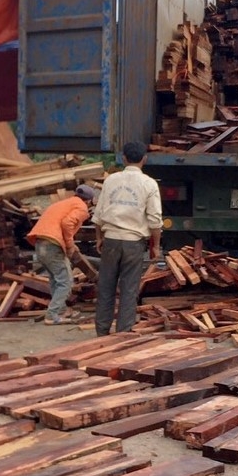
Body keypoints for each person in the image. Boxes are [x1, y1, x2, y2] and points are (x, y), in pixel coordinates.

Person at [92, 141, 163, 336]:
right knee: (129, 289)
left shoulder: (111, 180)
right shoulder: (149, 184)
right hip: (134, 243)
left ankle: (102, 332)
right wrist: (155, 246)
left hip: (111, 240)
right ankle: (123, 334)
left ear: (123, 158)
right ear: (144, 159)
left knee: (106, 286)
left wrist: (99, 237)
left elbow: (98, 215)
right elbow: (155, 220)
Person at [27, 185, 96, 324]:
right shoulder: (81, 207)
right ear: (89, 201)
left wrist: (70, 244)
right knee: (66, 282)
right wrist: (70, 245)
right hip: (52, 245)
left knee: (56, 279)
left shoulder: (64, 203)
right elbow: (67, 223)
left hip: (41, 243)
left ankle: (61, 310)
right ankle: (52, 315)